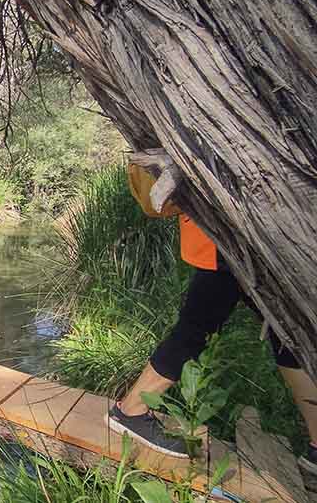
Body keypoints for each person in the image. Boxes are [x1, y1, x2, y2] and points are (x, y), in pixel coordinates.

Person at [108, 167, 317, 472]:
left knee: (288, 333)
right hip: (225, 242)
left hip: (237, 240)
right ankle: (131, 411)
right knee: (197, 329)